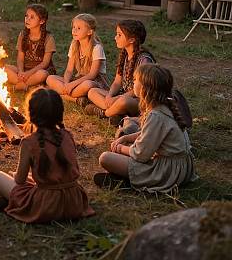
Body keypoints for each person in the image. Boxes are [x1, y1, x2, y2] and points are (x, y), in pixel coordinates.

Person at [0, 88, 95, 223]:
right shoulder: (68, 135)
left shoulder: (28, 142)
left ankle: (13, 202)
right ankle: (10, 201)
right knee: (28, 179)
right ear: (59, 113)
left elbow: (20, 181)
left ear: (31, 115)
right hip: (74, 201)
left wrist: (15, 175)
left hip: (46, 205)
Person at [94, 64, 196, 193]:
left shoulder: (156, 115)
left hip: (165, 172)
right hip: (181, 168)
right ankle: (123, 178)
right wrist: (126, 137)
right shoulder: (163, 106)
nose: (133, 81)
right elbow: (147, 134)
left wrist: (119, 148)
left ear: (145, 88)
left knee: (105, 158)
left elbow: (140, 155)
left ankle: (130, 181)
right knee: (126, 142)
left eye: (136, 80)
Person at [85, 20, 155, 124]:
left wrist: (118, 98)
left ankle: (104, 113)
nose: (115, 37)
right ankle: (116, 113)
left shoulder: (144, 60)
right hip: (121, 95)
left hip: (139, 100)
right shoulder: (124, 55)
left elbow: (139, 90)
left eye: (119, 35)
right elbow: (117, 82)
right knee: (92, 92)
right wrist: (110, 95)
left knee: (123, 102)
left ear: (132, 39)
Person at [46, 13, 108, 107]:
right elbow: (69, 70)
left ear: (89, 32)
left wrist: (72, 85)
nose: (74, 30)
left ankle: (62, 95)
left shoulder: (96, 48)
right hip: (79, 79)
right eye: (73, 27)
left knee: (87, 85)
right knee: (50, 78)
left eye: (79, 28)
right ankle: (76, 99)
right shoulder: (74, 44)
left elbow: (92, 75)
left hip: (94, 81)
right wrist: (67, 84)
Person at [4, 4, 56, 91]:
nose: (27, 19)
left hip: (40, 70)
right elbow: (20, 59)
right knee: (3, 68)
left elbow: (45, 63)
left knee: (42, 74)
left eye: (32, 17)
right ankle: (28, 85)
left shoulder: (48, 38)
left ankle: (19, 85)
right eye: (26, 16)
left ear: (42, 21)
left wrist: (29, 73)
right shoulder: (23, 35)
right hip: (25, 69)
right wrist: (21, 71)